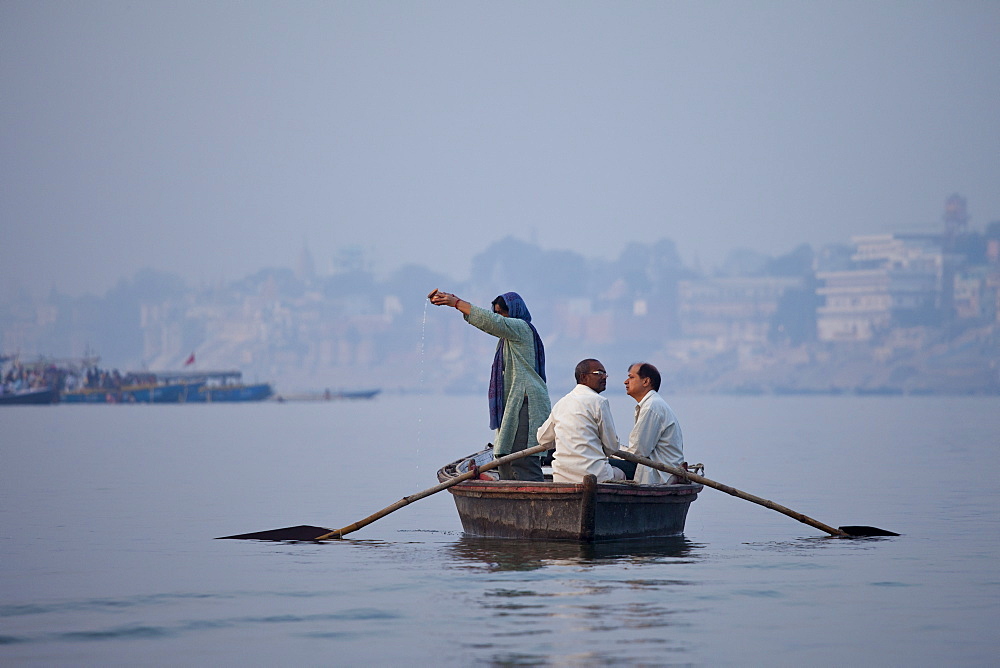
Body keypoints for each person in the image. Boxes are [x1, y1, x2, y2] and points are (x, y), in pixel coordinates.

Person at [428, 289, 551, 481]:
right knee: (504, 458)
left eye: (502, 313)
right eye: (497, 313)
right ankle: (510, 499)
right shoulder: (508, 338)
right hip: (515, 403)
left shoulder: (521, 328)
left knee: (523, 459)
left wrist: (456, 303)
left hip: (527, 402)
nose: (499, 317)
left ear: (514, 311)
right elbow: (491, 323)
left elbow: (492, 323)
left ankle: (539, 502)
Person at [536, 359, 626, 483]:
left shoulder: (562, 403)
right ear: (583, 377)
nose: (604, 377)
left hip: (562, 477)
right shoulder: (599, 402)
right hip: (596, 476)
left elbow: (543, 439)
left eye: (605, 374)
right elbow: (611, 447)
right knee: (621, 473)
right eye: (599, 373)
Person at [622, 362, 685, 484]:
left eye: (631, 377)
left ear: (646, 382)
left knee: (603, 464)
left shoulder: (652, 406)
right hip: (655, 468)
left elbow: (638, 452)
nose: (626, 381)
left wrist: (610, 451)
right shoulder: (652, 403)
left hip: (660, 474)